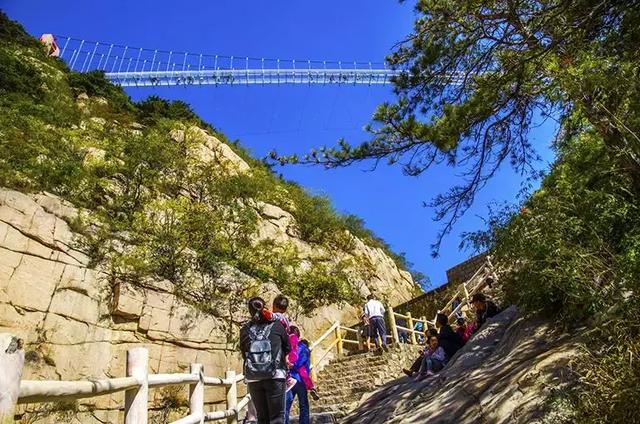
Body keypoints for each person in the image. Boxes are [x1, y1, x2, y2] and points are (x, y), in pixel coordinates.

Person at [240, 297, 291, 424]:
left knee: (262, 418)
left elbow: (244, 353)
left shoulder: (244, 329)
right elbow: (288, 347)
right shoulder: (278, 325)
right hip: (275, 375)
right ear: (264, 307)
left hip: (254, 377)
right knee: (277, 418)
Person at [285, 329, 319, 424]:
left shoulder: (288, 347)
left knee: (286, 406)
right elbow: (300, 363)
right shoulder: (303, 348)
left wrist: (289, 365)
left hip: (290, 379)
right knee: (303, 405)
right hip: (300, 380)